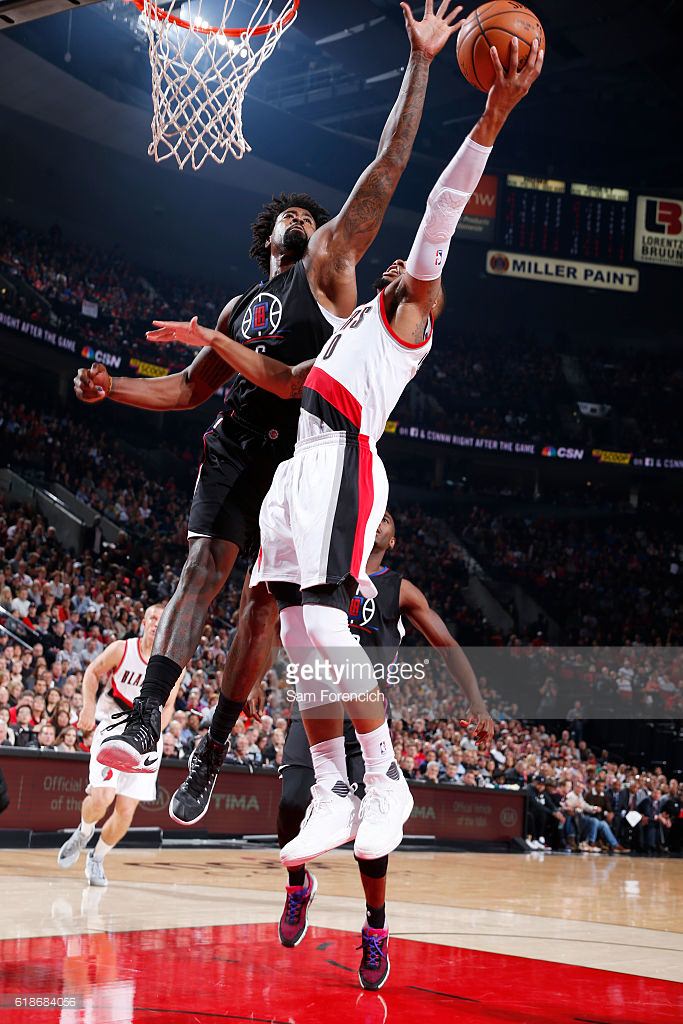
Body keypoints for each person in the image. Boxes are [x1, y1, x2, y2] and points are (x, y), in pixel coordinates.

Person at [156, 37, 543, 870]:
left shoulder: (406, 322)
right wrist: (207, 344)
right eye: (398, 271)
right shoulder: (345, 329)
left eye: (414, 273)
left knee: (327, 635)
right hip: (296, 468)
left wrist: (489, 115)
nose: (404, 267)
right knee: (296, 633)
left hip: (342, 461)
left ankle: (385, 779)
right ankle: (333, 786)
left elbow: (434, 209)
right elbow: (270, 372)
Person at [74, 1, 466, 784]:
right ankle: (149, 713)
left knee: (265, 607)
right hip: (234, 445)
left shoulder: (327, 268)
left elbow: (384, 169)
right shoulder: (234, 308)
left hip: (303, 460)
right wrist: (111, 386)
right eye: (287, 213)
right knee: (200, 570)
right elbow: (188, 391)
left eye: (307, 212)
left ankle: (213, 741)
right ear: (265, 240)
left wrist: (420, 63)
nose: (299, 213)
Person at [274, 511, 492, 989]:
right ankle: (298, 886)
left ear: (392, 540)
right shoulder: (326, 572)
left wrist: (476, 701)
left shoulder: (399, 589)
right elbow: (285, 624)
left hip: (366, 718)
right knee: (292, 803)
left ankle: (376, 926)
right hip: (314, 703)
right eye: (375, 513)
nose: (379, 520)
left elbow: (447, 644)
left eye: (387, 518)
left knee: (369, 843)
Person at [57, 605, 183, 886]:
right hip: (114, 723)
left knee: (126, 810)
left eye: (162, 621)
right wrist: (88, 708)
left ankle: (97, 859)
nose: (155, 624)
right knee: (102, 798)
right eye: (152, 618)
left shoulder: (174, 665)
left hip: (146, 734)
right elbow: (92, 672)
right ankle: (84, 830)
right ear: (143, 622)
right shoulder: (122, 649)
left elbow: (169, 706)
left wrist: (153, 734)